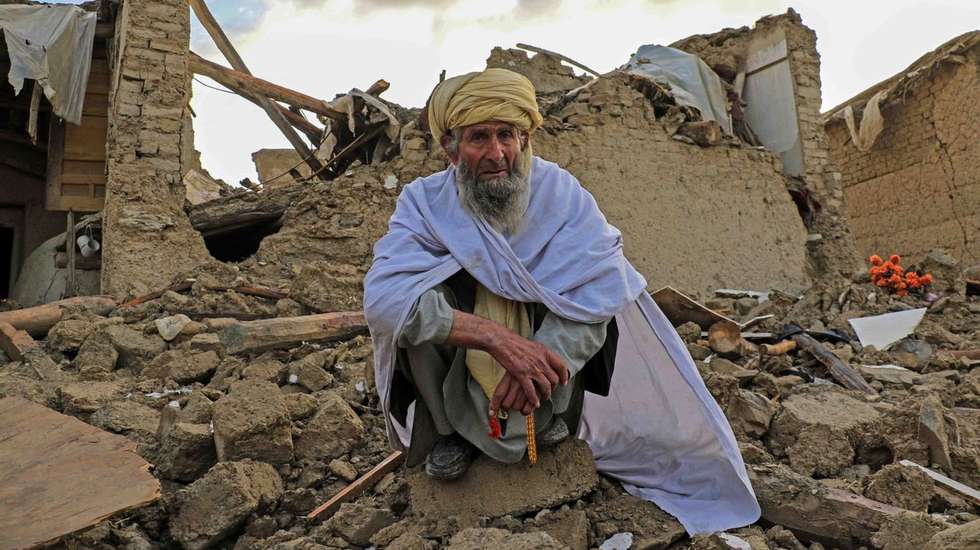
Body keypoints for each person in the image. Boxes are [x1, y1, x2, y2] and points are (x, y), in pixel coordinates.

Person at [364, 68, 760, 535]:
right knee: (417, 301)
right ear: (450, 147)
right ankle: (450, 436)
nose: (496, 154)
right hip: (461, 368)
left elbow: (602, 288)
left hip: (544, 370)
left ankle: (555, 415)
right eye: (478, 138)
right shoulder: (423, 203)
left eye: (506, 135)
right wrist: (495, 339)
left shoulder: (561, 194)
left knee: (587, 290)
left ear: (526, 136)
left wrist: (539, 361)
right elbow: (383, 300)